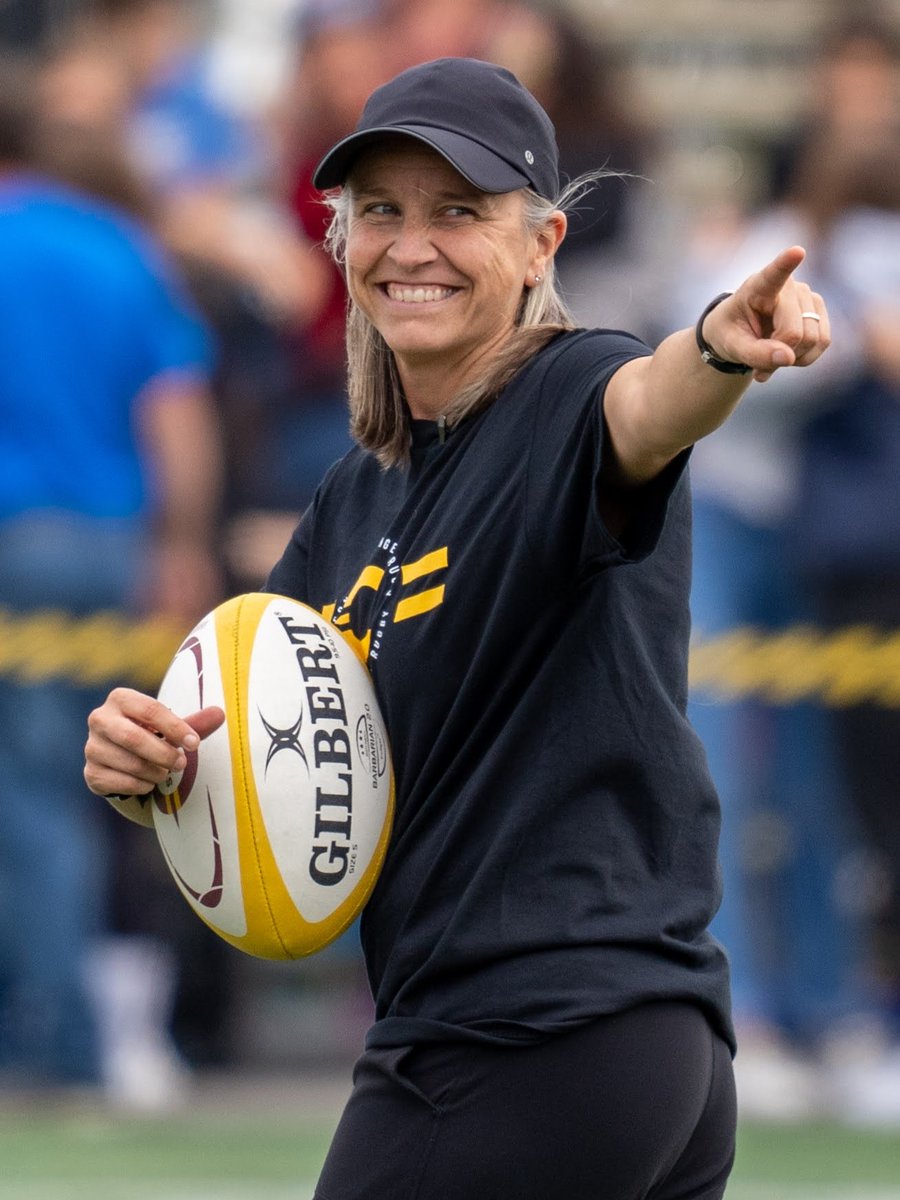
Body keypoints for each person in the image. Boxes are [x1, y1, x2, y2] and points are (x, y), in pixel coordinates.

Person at [84, 57, 830, 1198]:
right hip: (601, 1052)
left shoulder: (573, 389)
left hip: (541, 1039)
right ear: (340, 241)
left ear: (540, 246)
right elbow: (235, 736)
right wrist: (151, 763)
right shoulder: (351, 503)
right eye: (380, 211)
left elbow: (653, 405)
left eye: (459, 213)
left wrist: (722, 348)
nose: (411, 245)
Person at [0, 50, 221, 1101]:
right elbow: (177, 412)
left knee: (30, 800)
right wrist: (178, 544)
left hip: (16, 545)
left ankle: (64, 1038)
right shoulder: (122, 247)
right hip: (113, 538)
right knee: (93, 790)